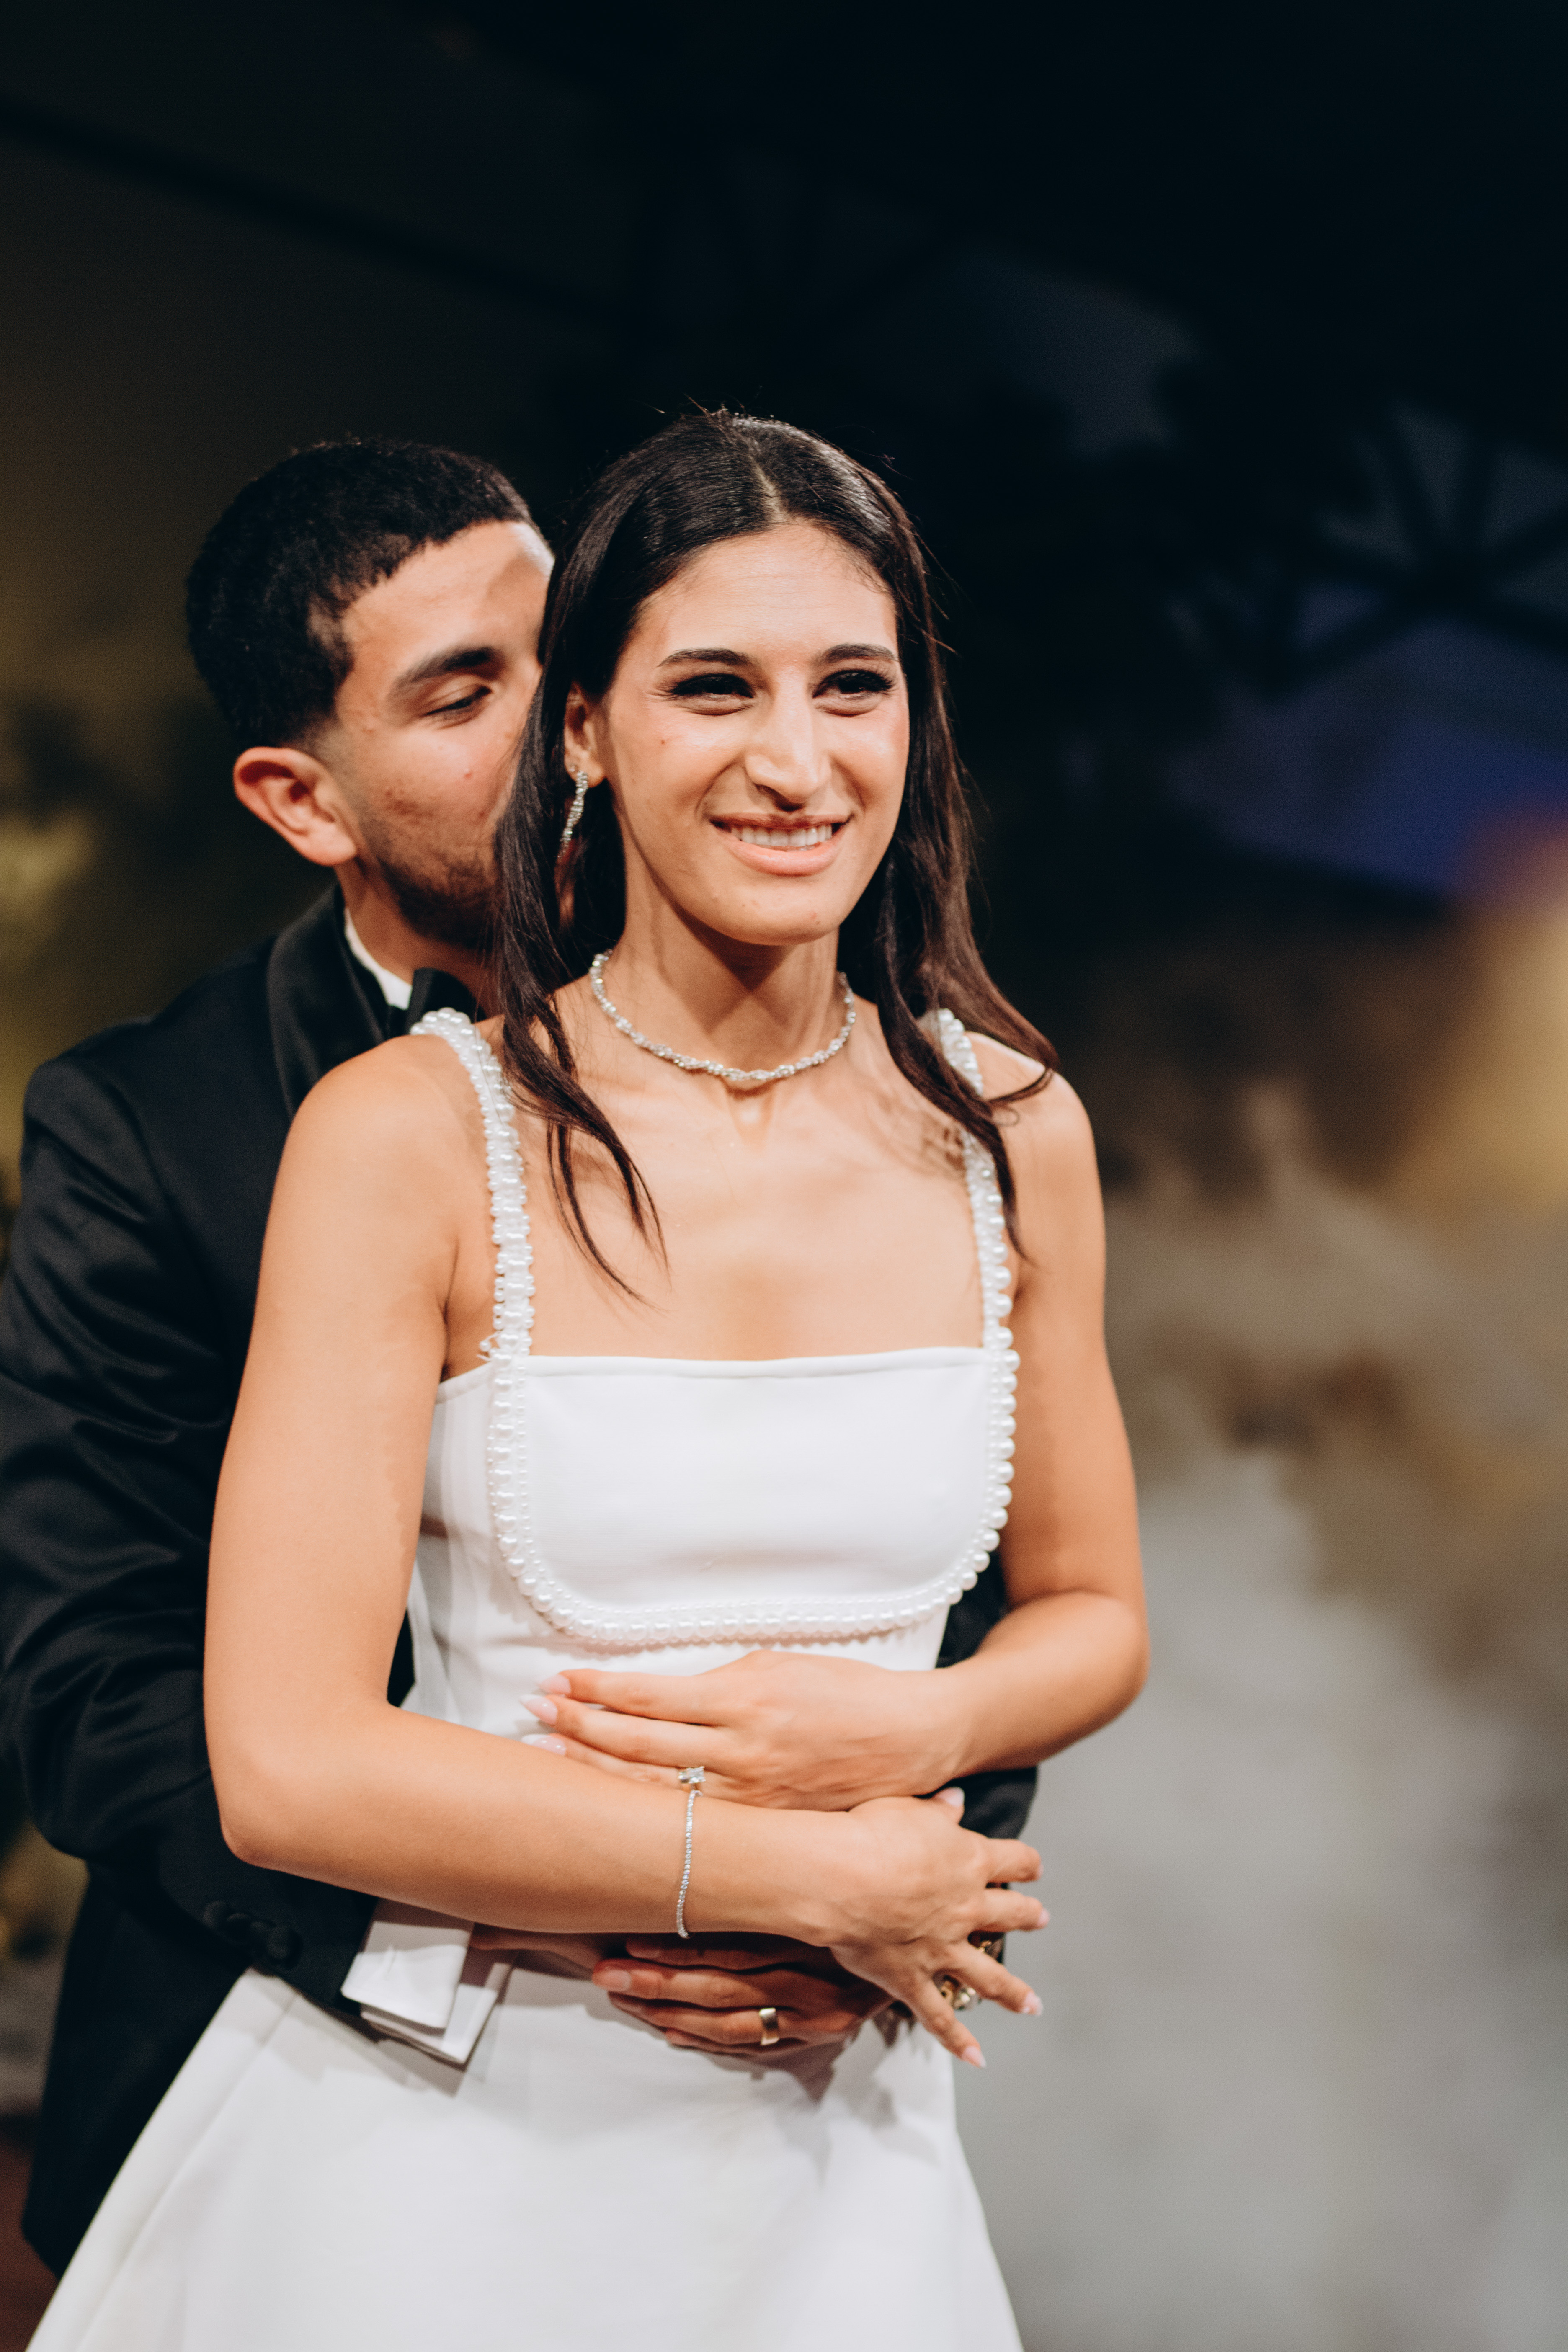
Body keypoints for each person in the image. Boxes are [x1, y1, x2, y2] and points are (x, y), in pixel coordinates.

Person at [27, 411, 1147, 2351]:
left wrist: (905, 1808)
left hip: (837, 2112)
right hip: (406, 2069)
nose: (786, 755)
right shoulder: (299, 1128)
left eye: (852, 684)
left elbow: (1054, 1604)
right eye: (702, 685)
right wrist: (752, 1883)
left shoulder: (1005, 1123)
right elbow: (146, 1707)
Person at [0, 437, 553, 2269]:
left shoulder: (826, 1069)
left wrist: (859, 1888)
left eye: (568, 659)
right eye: (466, 695)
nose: (565, 732)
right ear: (304, 801)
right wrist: (525, 1927)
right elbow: (94, 1678)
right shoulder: (145, 1129)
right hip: (292, 2055)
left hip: (770, 2052)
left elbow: (946, 1540)